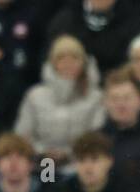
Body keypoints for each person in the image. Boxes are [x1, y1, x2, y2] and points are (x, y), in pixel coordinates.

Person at [15, 34, 104, 167]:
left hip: (80, 164)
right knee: (47, 180)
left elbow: (95, 135)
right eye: (61, 58)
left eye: (74, 58)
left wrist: (68, 153)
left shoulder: (96, 97)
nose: (68, 64)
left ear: (83, 63)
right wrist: (43, 151)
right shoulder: (35, 95)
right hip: (43, 163)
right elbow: (23, 134)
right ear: (53, 63)